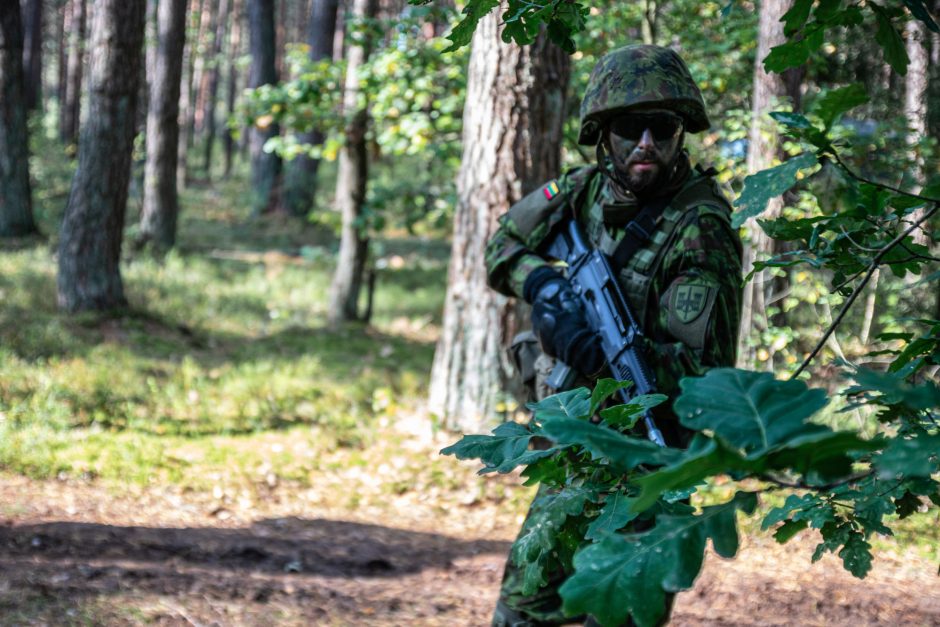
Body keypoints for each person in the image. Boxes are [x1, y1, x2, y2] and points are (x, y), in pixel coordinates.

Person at [484, 44, 744, 626]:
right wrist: (547, 293)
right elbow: (500, 249)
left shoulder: (701, 231)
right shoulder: (580, 192)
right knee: (522, 610)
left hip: (650, 465)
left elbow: (704, 380)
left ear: (681, 134)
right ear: (604, 135)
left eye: (663, 127)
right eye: (630, 128)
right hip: (575, 452)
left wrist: (600, 353)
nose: (646, 142)